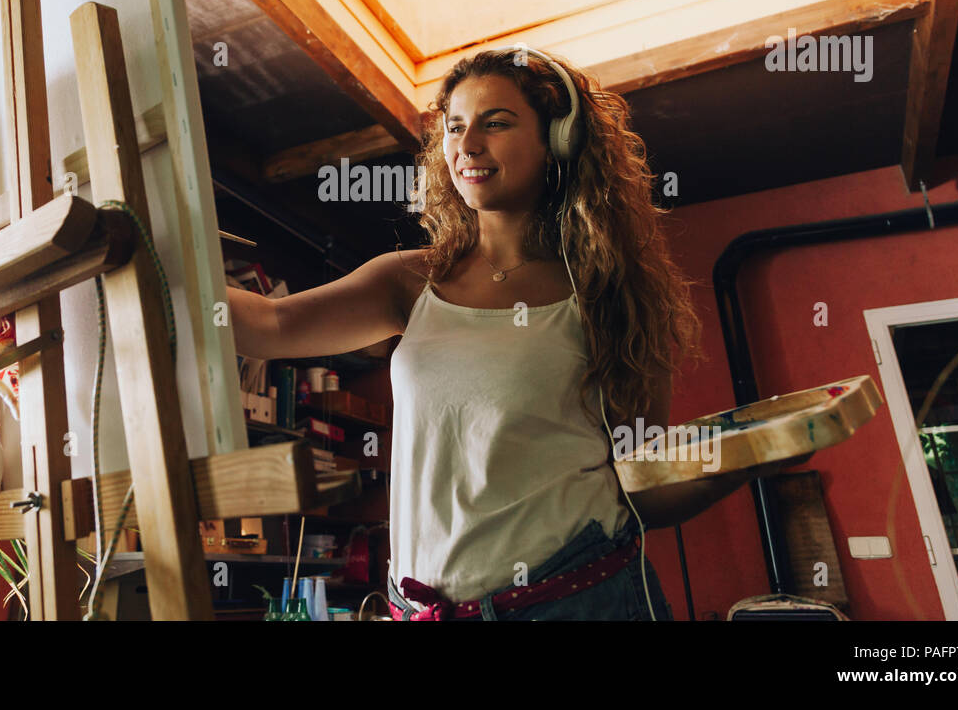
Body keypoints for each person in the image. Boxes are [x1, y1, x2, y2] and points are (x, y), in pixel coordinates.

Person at [226, 46, 807, 620]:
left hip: (577, 601)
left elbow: (639, 484)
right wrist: (152, 264)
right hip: (420, 609)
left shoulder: (610, 296)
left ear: (558, 142)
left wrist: (753, 459)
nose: (467, 144)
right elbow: (268, 323)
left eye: (496, 123)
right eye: (454, 127)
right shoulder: (408, 281)